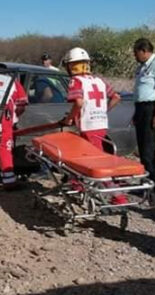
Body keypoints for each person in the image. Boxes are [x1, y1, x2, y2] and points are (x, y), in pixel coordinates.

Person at [61, 48, 125, 204]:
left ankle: (117, 196)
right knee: (85, 157)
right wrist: (103, 110)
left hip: (88, 126)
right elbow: (116, 97)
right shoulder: (99, 80)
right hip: (101, 124)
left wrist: (69, 119)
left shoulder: (76, 81)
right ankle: (78, 185)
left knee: (94, 161)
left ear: (71, 66)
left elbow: (79, 102)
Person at [132, 38, 155, 192]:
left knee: (148, 148)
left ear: (144, 51)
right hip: (141, 109)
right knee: (143, 148)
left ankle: (151, 184)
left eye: (136, 53)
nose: (135, 56)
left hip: (151, 109)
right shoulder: (142, 67)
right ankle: (147, 181)